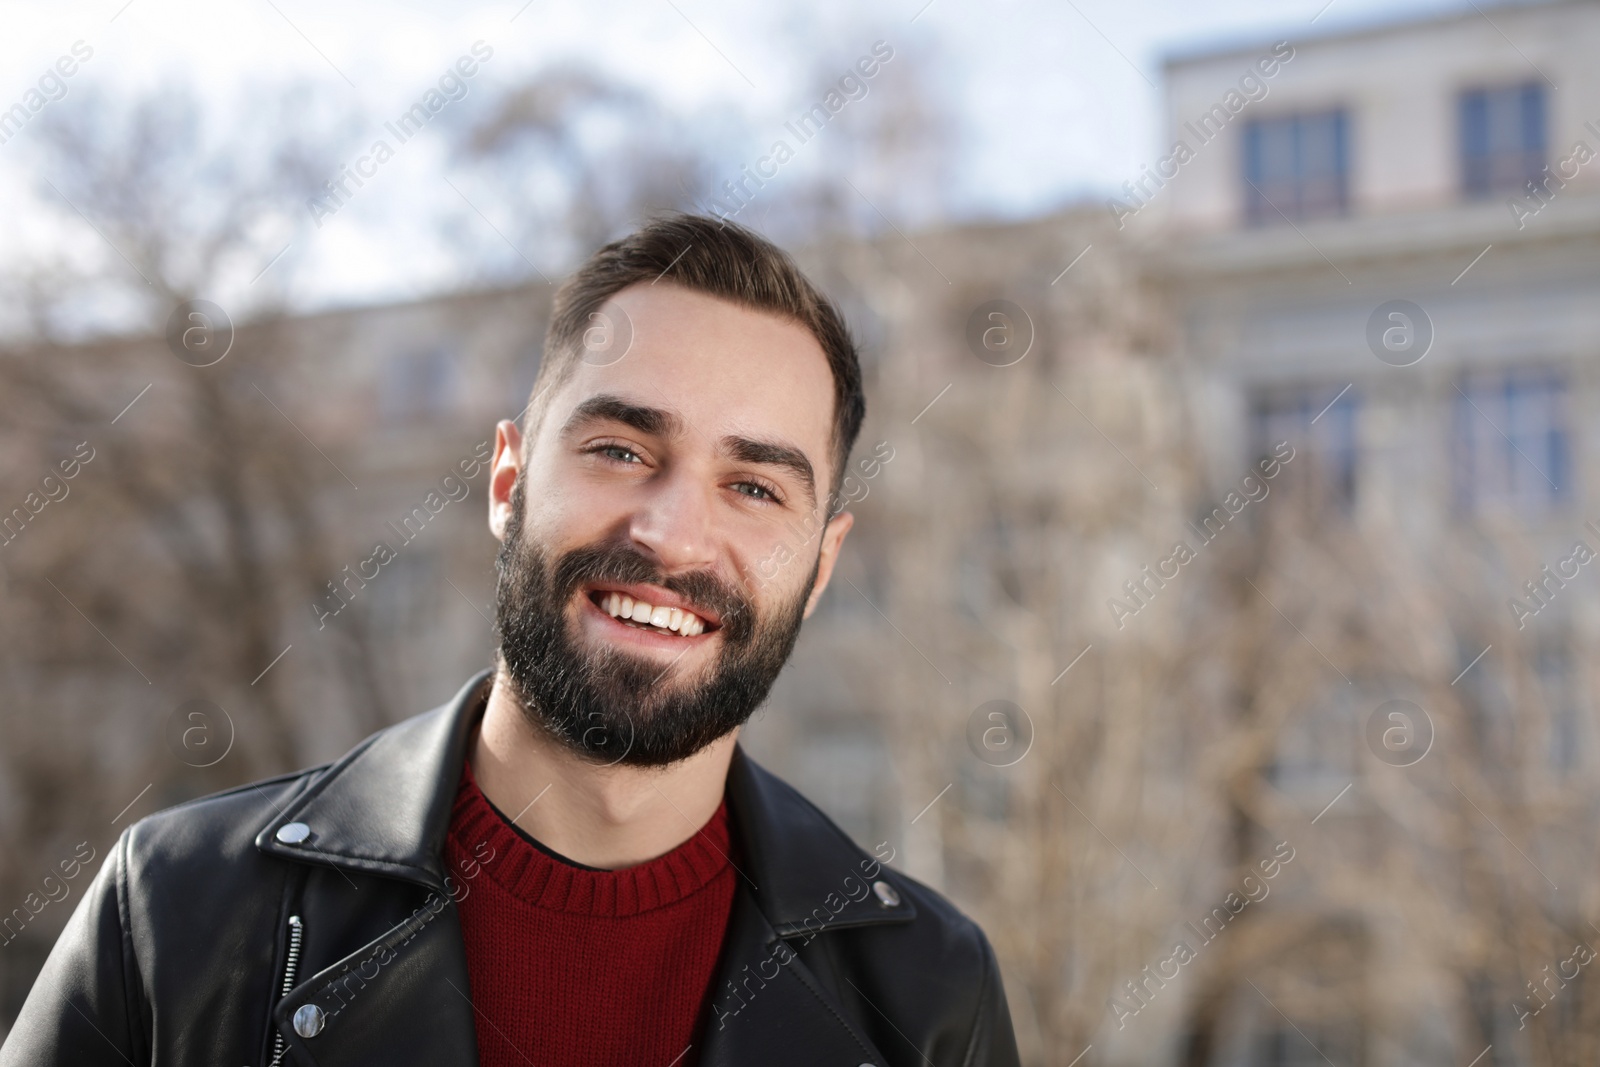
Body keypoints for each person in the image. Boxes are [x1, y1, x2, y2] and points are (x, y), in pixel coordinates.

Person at [1, 214, 1020, 1066]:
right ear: (507, 481)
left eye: (753, 486)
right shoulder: (179, 910)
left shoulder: (929, 992)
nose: (668, 532)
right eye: (620, 449)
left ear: (822, 565)